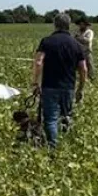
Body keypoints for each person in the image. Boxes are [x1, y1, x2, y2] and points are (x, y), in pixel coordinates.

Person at [32, 13, 88, 149]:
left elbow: (39, 62)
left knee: (50, 119)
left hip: (49, 86)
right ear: (69, 25)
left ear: (55, 25)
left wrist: (35, 83)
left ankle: (53, 148)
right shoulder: (76, 44)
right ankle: (66, 146)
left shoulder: (47, 41)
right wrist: (80, 88)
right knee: (66, 117)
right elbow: (84, 69)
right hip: (68, 87)